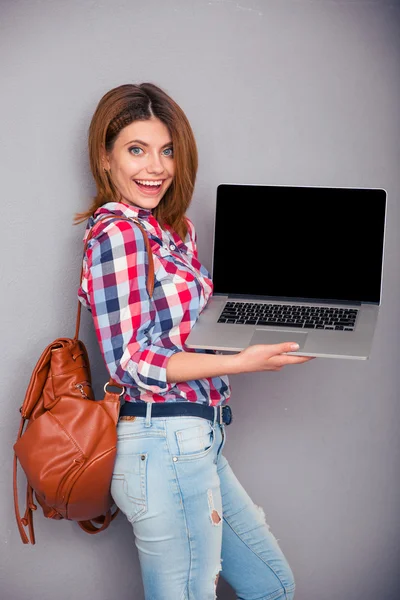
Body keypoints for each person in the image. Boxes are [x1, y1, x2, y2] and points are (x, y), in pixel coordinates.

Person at [77, 82, 313, 600]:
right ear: (105, 157)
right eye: (136, 150)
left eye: (167, 150)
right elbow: (132, 360)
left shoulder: (173, 230)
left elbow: (190, 326)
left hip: (197, 441)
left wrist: (278, 323)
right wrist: (243, 363)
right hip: (160, 444)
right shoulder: (118, 234)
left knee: (273, 586)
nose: (155, 167)